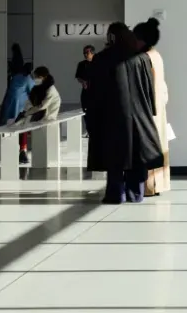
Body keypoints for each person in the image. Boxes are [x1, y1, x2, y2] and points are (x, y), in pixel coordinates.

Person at [84, 23, 163, 203]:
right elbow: (149, 88)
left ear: (111, 37)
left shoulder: (101, 59)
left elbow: (94, 92)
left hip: (111, 117)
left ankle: (115, 194)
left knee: (114, 157)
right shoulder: (142, 58)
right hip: (138, 115)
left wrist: (93, 114)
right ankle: (136, 194)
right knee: (136, 156)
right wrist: (150, 111)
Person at [133, 18, 172, 197]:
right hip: (159, 107)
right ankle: (159, 184)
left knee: (148, 146)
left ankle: (149, 186)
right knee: (159, 144)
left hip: (148, 109)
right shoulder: (156, 55)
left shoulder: (143, 58)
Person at [0, 56, 35, 125]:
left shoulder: (16, 77)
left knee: (6, 121)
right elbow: (33, 91)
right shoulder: (27, 79)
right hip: (19, 105)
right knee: (15, 122)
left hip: (9, 102)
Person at [74, 45, 97, 137]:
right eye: (84, 52)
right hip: (86, 92)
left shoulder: (98, 63)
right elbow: (78, 77)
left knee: (96, 112)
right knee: (86, 111)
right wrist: (83, 82)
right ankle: (89, 130)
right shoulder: (81, 64)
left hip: (96, 92)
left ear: (92, 53)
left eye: (87, 52)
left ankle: (96, 131)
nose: (85, 54)